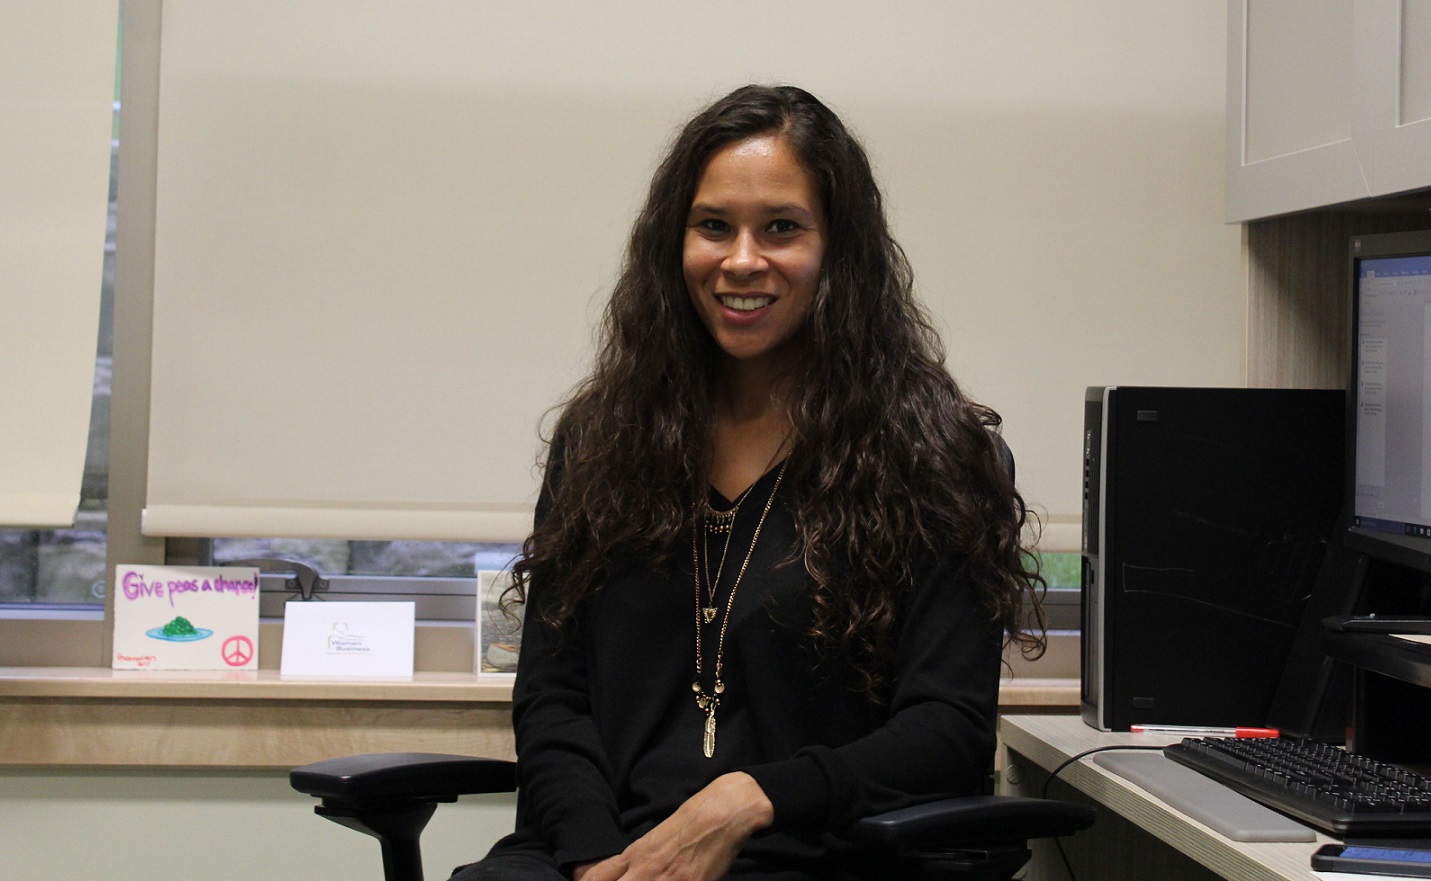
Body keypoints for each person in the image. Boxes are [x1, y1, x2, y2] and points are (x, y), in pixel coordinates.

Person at [452, 84, 1045, 881]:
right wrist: (602, 857)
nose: (740, 260)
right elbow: (552, 697)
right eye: (712, 227)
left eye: (781, 228)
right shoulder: (602, 440)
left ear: (839, 248)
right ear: (675, 242)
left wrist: (751, 798)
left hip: (815, 851)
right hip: (600, 854)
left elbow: (947, 728)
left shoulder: (930, 456)